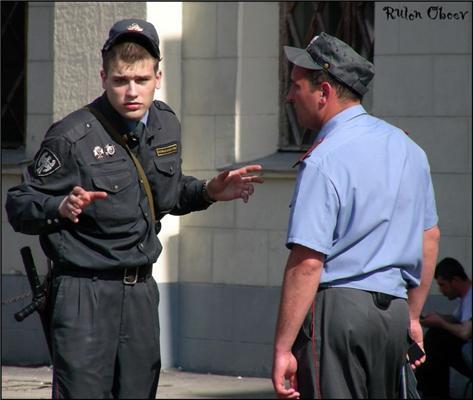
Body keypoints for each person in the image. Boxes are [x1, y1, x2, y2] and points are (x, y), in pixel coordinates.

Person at [5, 18, 263, 399]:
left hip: (140, 291)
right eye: (120, 81)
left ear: (158, 76)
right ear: (103, 77)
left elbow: (167, 196)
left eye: (141, 80)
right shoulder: (72, 137)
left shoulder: (165, 124)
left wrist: (210, 190)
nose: (131, 92)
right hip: (84, 293)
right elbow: (19, 204)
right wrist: (59, 205)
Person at [271, 32, 440, 399]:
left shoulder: (324, 159)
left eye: (295, 86)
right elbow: (430, 237)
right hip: (393, 312)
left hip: (338, 316)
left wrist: (283, 348)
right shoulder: (409, 149)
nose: (288, 96)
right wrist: (412, 316)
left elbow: (307, 263)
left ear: (325, 92)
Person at [416, 257, 472, 398]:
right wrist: (432, 318)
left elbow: (465, 332)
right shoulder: (466, 298)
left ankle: (429, 391)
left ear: (455, 281)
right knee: (437, 334)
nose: (441, 290)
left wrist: (440, 322)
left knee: (438, 338)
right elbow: (455, 319)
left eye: (442, 285)